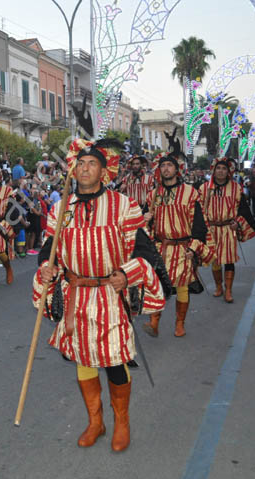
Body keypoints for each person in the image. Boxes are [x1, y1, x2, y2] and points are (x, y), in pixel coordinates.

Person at [34, 138, 164, 452]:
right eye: (80, 163)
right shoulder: (61, 208)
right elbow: (49, 249)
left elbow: (144, 250)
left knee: (115, 361)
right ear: (72, 170)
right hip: (76, 294)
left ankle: (122, 422)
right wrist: (45, 267)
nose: (85, 168)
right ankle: (96, 421)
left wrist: (127, 274)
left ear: (104, 170)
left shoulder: (123, 205)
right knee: (83, 357)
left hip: (109, 294)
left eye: (92, 163)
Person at [144, 156, 212, 337]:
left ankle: (180, 323)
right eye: (163, 166)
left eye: (169, 165)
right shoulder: (152, 195)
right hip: (160, 247)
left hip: (182, 248)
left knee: (182, 286)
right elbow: (146, 227)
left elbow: (198, 224)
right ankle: (154, 322)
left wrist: (193, 248)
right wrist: (146, 220)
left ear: (177, 169)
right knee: (155, 285)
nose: (166, 169)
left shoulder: (190, 193)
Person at [199, 159, 255, 303]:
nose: (220, 171)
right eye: (218, 168)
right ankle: (219, 286)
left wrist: (238, 223)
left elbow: (243, 209)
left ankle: (229, 290)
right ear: (214, 170)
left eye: (223, 169)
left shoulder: (236, 188)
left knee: (229, 260)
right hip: (211, 229)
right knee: (215, 260)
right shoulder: (204, 188)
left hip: (228, 229)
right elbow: (198, 210)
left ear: (228, 171)